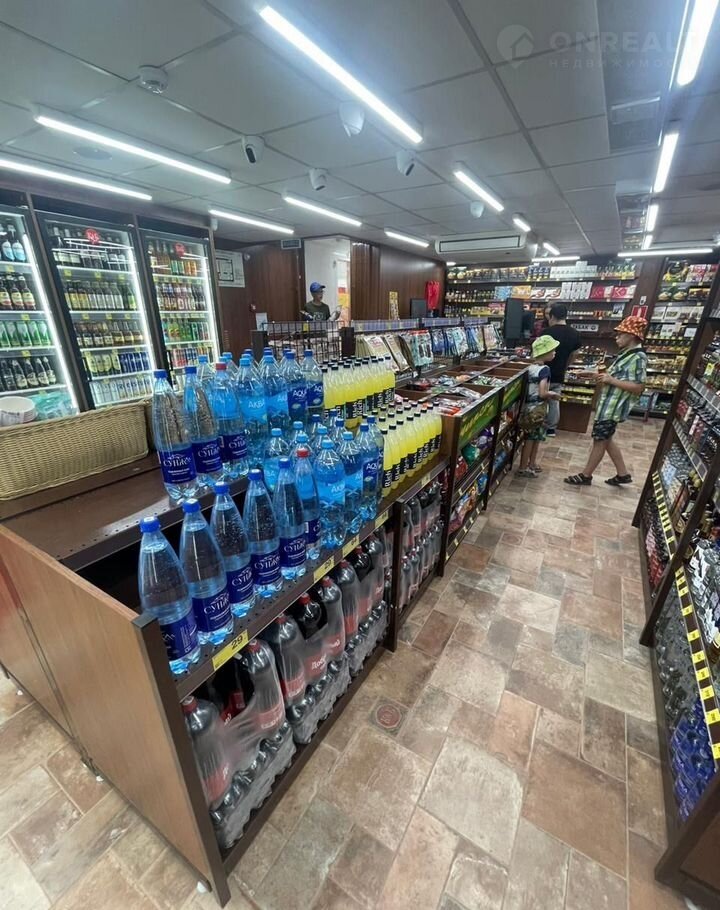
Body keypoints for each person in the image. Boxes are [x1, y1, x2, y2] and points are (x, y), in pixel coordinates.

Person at [564, 315, 648, 487]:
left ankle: (586, 475)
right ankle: (623, 474)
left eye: (621, 334)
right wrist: (590, 374)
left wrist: (611, 380)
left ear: (632, 335)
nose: (617, 337)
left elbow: (639, 387)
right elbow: (612, 376)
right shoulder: (627, 354)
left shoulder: (638, 357)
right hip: (608, 405)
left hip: (613, 408)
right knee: (606, 439)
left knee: (600, 440)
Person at [516, 335, 562, 478]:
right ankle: (524, 467)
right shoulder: (545, 370)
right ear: (545, 352)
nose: (555, 352)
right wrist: (552, 394)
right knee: (532, 439)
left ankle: (531, 464)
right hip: (538, 409)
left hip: (528, 408)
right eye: (552, 350)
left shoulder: (530, 368)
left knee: (532, 437)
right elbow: (542, 393)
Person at [540, 303, 581, 436]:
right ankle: (551, 429)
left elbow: (538, 353)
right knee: (554, 400)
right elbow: (575, 353)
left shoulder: (547, 332)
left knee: (540, 398)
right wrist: (566, 365)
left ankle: (538, 425)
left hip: (543, 372)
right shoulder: (575, 333)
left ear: (552, 316)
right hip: (559, 372)